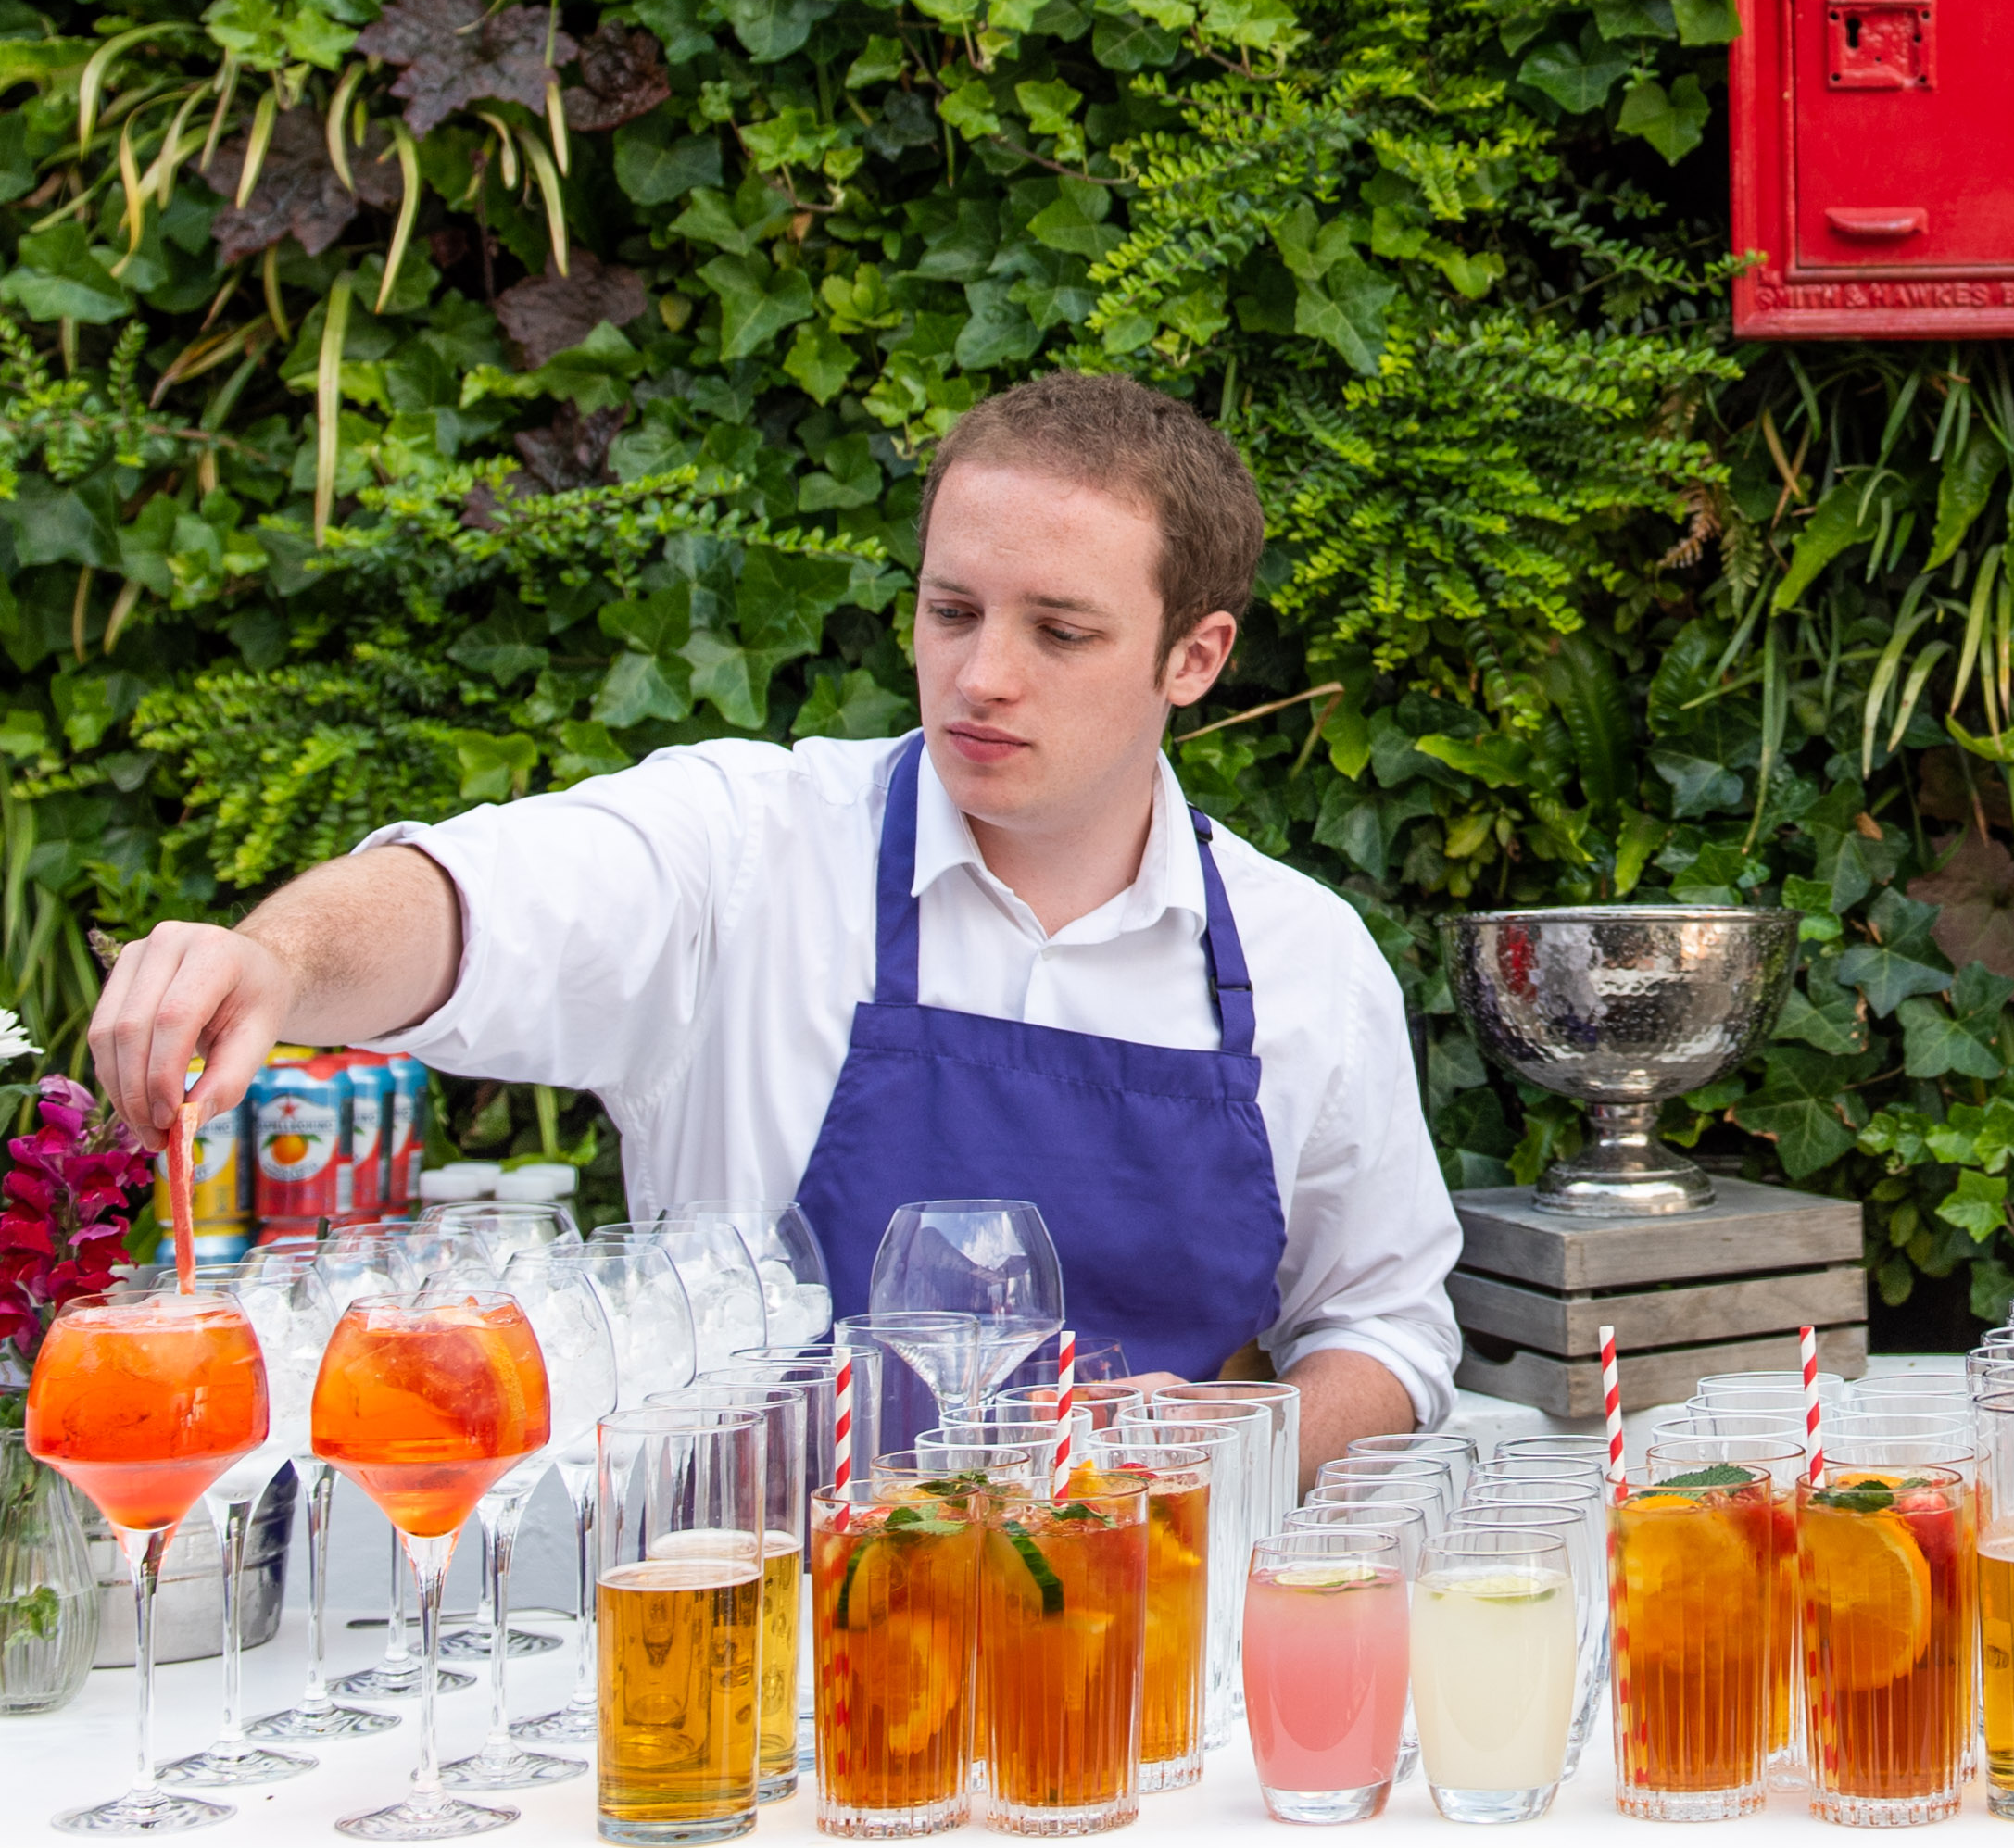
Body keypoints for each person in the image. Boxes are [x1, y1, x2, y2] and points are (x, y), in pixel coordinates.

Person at [91, 370, 1456, 1482]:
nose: (981, 676)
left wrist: (1259, 1438)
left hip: (1133, 1666)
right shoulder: (743, 849)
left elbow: (1385, 1327)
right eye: (951, 611)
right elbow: (472, 900)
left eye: (1060, 632)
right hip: (755, 1668)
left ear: (1194, 657)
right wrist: (279, 959)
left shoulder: (1301, 961)